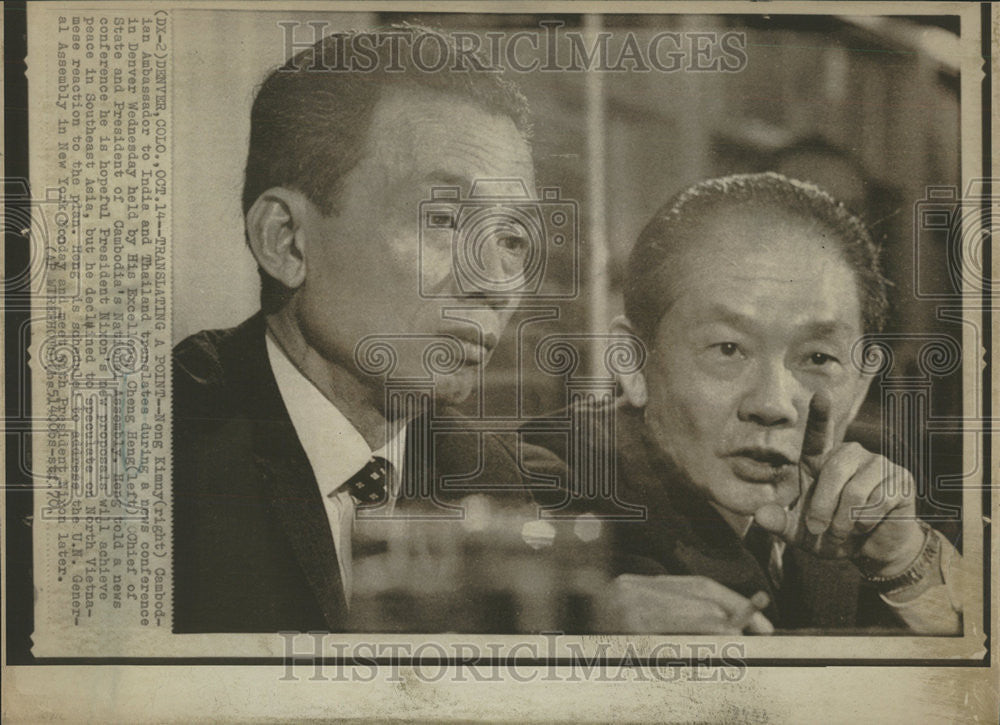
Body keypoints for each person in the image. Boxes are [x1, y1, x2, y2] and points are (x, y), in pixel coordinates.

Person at [171, 25, 561, 633]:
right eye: (445, 219)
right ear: (286, 240)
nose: (495, 282)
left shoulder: (501, 483)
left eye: (512, 238)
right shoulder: (159, 454)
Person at [578, 173, 962, 634]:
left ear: (860, 385)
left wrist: (904, 563)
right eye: (727, 349)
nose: (773, 404)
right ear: (634, 363)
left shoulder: (885, 494)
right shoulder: (544, 493)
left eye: (818, 357)